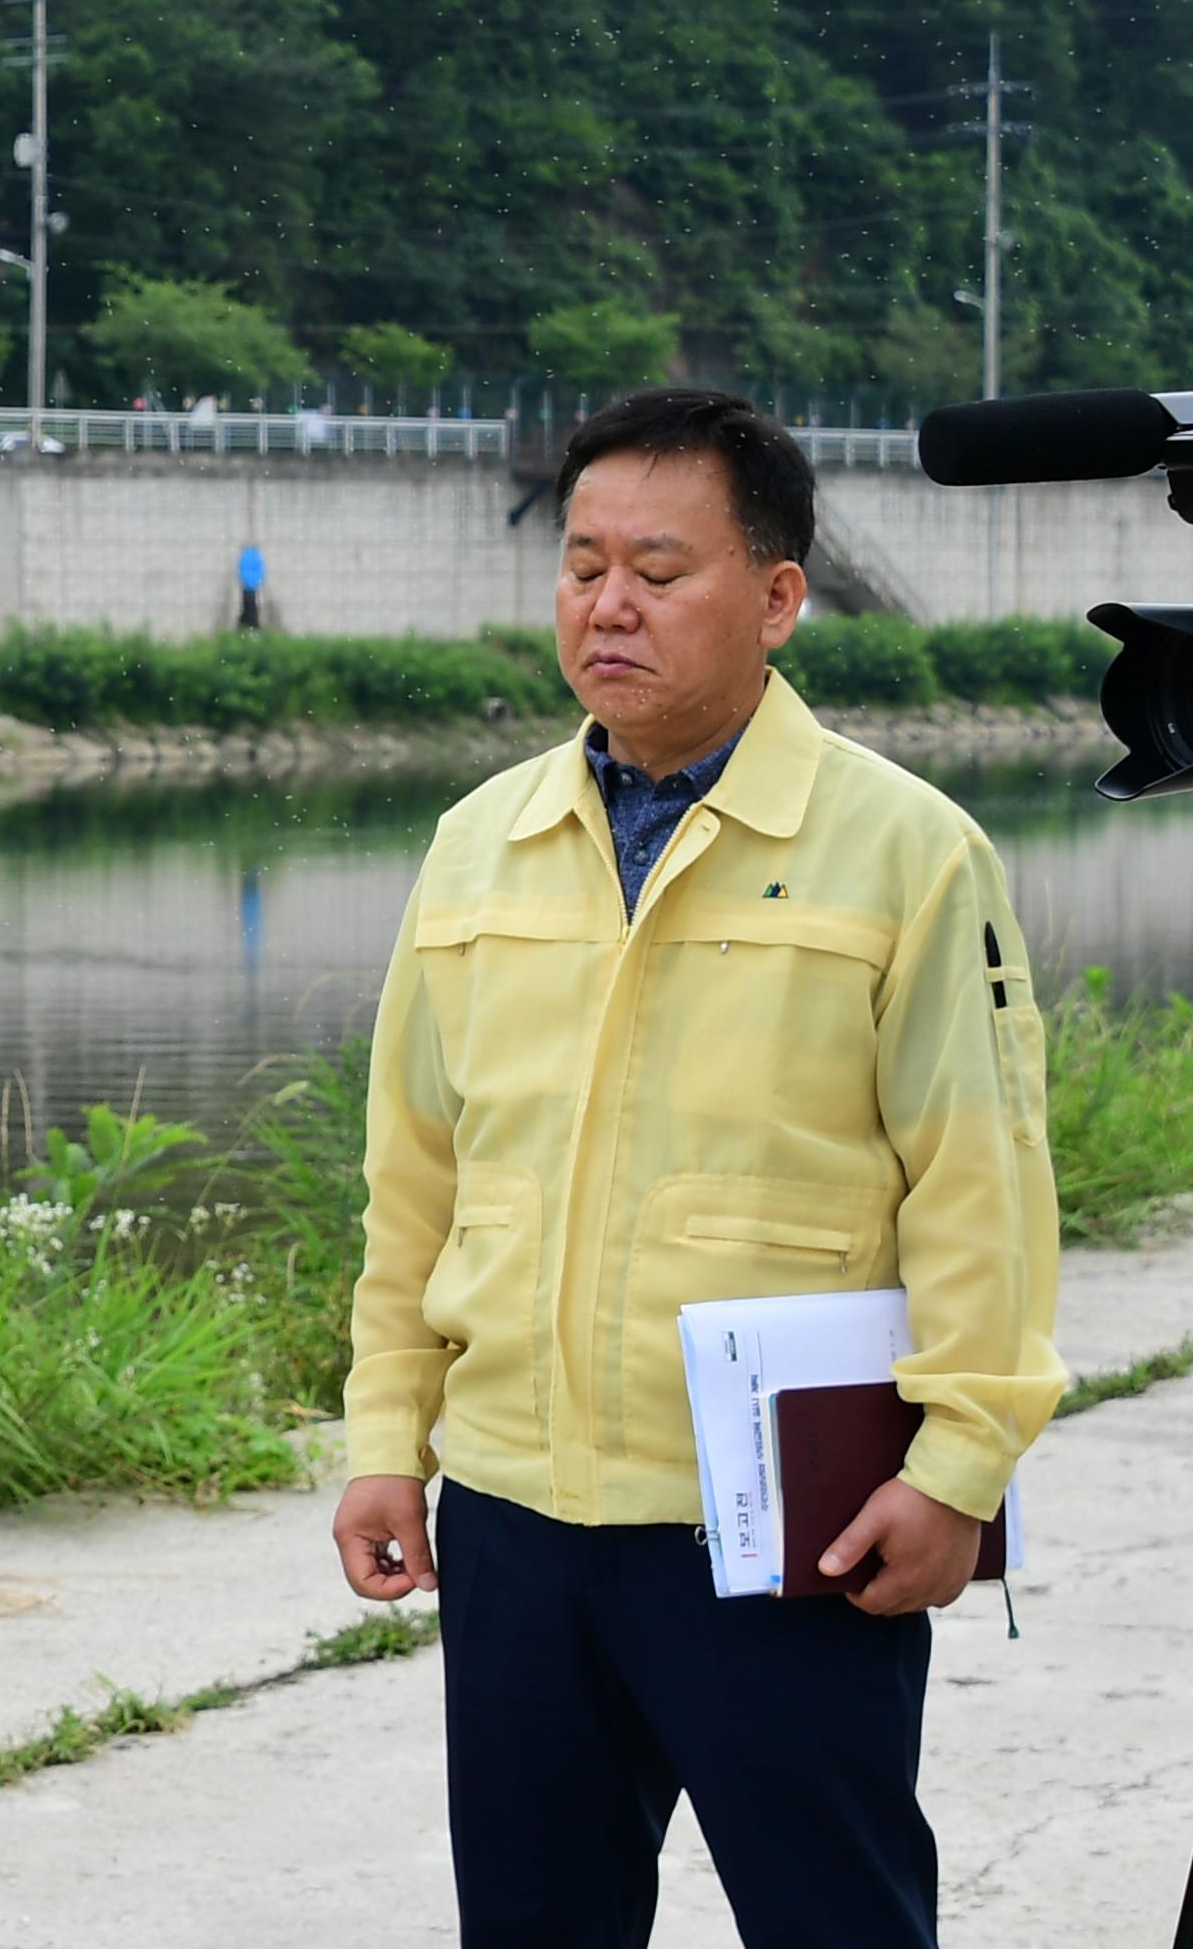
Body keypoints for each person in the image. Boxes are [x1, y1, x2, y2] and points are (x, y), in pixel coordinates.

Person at [333, 386, 1064, 1949]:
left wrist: (959, 1467)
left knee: (837, 1920)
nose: (609, 605)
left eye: (661, 573)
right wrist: (387, 1433)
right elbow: (416, 1176)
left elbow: (981, 1186)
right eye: (584, 565)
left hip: (787, 1525)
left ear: (780, 598)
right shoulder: (480, 844)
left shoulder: (906, 851)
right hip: (520, 1522)